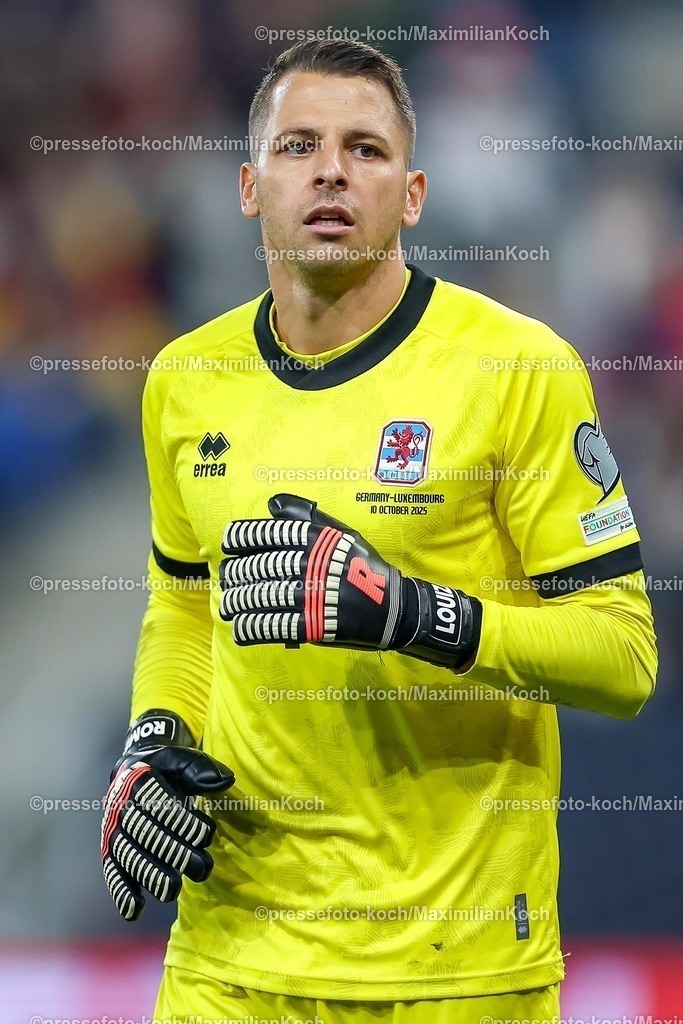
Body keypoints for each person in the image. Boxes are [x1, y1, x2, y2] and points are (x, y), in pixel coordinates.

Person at [100, 39, 657, 1023]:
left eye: (364, 149)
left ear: (412, 195)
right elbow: (184, 603)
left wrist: (413, 614)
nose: (329, 171)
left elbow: (622, 659)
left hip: (452, 970)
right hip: (228, 961)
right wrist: (154, 735)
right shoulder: (184, 379)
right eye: (297, 146)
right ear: (248, 188)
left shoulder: (518, 369)